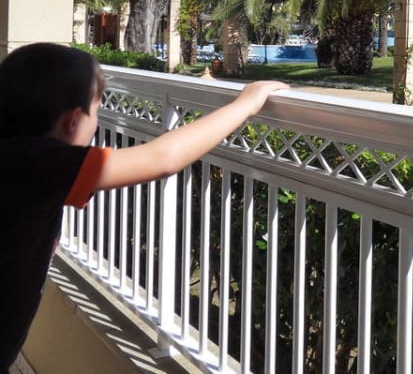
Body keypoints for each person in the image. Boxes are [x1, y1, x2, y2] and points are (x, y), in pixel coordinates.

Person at [0, 43, 288, 371]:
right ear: (73, 121)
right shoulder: (42, 166)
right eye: (97, 111)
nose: (96, 125)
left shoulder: (17, 160)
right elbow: (162, 158)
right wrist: (246, 105)